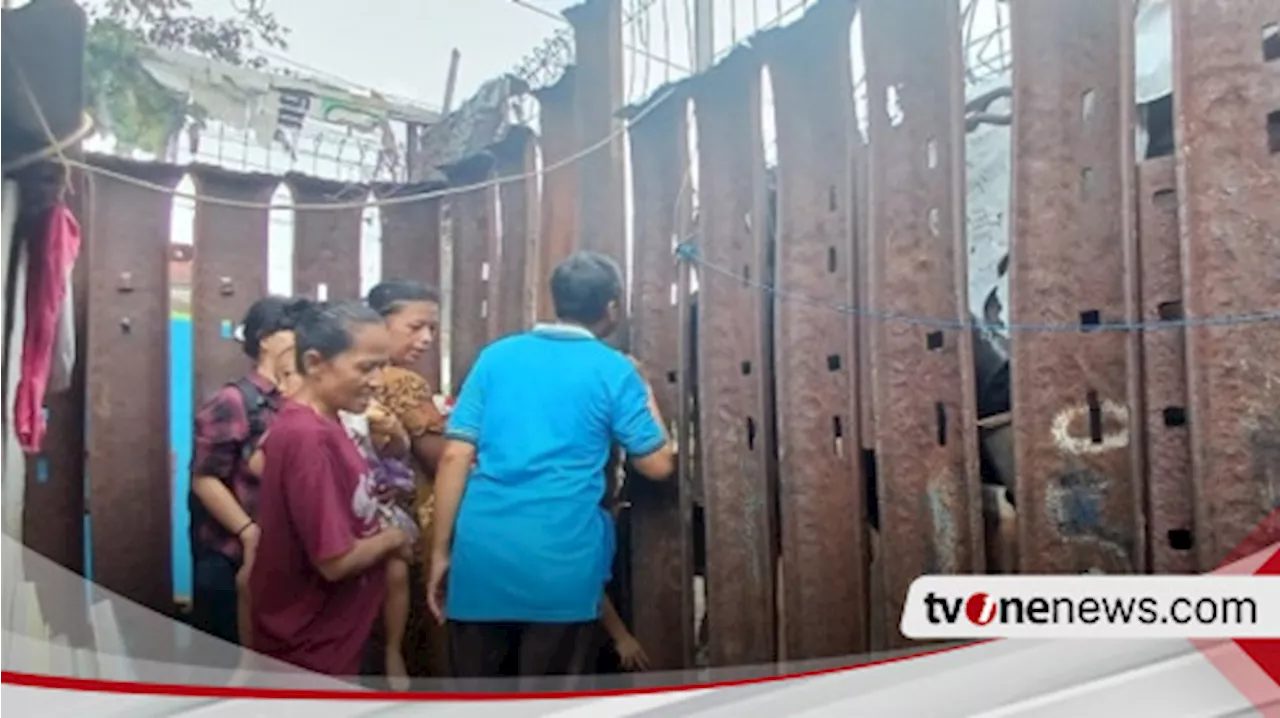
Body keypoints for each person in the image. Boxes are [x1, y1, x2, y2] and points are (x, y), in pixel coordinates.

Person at [427, 251, 675, 683]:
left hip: (482, 558)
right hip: (561, 566)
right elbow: (656, 465)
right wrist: (644, 386)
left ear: (556, 300)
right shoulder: (613, 369)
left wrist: (440, 552)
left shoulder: (496, 357)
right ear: (612, 307)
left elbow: (455, 455)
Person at [247, 300, 410, 677]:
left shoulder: (329, 422)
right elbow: (334, 562)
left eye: (383, 366)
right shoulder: (307, 437)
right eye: (366, 367)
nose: (377, 380)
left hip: (337, 637)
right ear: (316, 363)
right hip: (313, 649)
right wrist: (392, 539)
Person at [188, 295, 301, 651]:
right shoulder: (234, 401)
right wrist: (248, 533)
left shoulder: (296, 397)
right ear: (265, 338)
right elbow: (204, 478)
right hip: (230, 555)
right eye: (290, 329)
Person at [364, 279, 448, 678]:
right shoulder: (402, 382)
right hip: (403, 528)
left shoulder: (356, 378)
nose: (427, 338)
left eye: (432, 328)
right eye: (415, 327)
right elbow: (443, 460)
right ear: (379, 325)